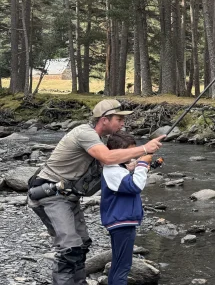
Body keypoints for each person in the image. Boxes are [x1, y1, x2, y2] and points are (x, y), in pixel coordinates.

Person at [28, 99, 165, 285]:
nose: (123, 123)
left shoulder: (100, 141)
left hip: (69, 197)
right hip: (49, 194)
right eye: (119, 119)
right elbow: (108, 158)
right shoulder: (85, 133)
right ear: (104, 119)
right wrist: (144, 149)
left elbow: (115, 167)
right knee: (69, 247)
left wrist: (143, 164)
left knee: (82, 244)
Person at [101, 131, 152, 285]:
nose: (133, 155)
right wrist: (142, 164)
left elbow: (126, 177)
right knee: (123, 266)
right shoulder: (113, 170)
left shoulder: (116, 167)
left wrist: (140, 166)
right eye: (130, 152)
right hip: (122, 223)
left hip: (120, 222)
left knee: (118, 264)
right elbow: (135, 186)